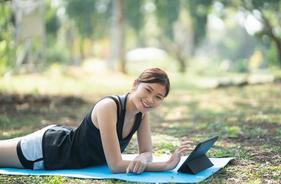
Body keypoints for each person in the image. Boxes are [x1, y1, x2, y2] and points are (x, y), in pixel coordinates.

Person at [0, 68, 193, 174]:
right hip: (47, 151)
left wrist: (143, 157)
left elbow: (147, 152)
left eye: (159, 97)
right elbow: (116, 166)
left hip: (62, 138)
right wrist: (166, 165)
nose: (151, 99)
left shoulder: (142, 113)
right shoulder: (109, 106)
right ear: (135, 85)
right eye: (148, 90)